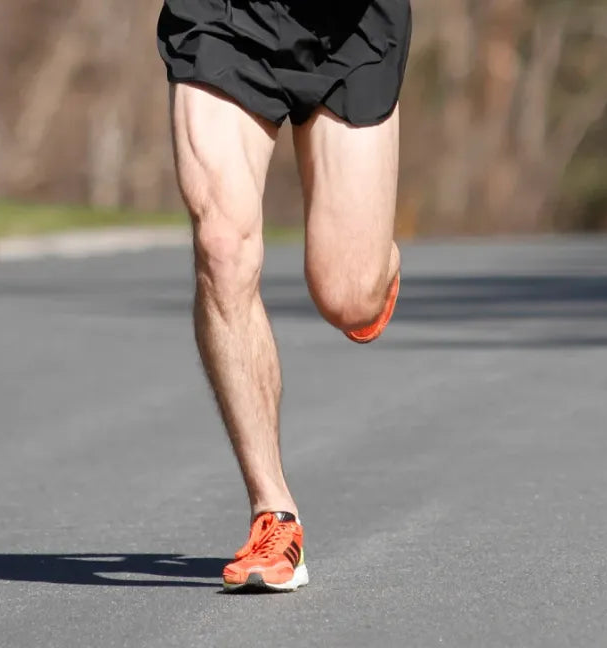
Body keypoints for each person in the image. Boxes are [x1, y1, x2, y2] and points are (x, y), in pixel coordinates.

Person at [156, 0, 412, 592]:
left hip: (352, 24)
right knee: (221, 243)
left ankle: (374, 269)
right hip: (222, 16)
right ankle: (273, 512)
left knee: (348, 296)